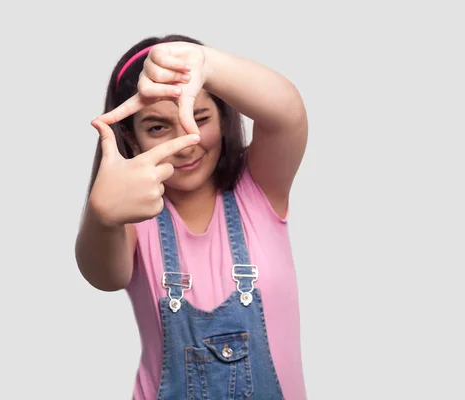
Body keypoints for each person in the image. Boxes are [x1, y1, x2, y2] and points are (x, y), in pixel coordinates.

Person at [75, 34, 308, 400]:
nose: (188, 142)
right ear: (131, 139)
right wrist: (102, 217)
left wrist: (206, 63)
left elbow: (288, 114)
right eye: (157, 128)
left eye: (199, 118)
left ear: (224, 114)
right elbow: (104, 275)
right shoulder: (136, 220)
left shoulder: (259, 186)